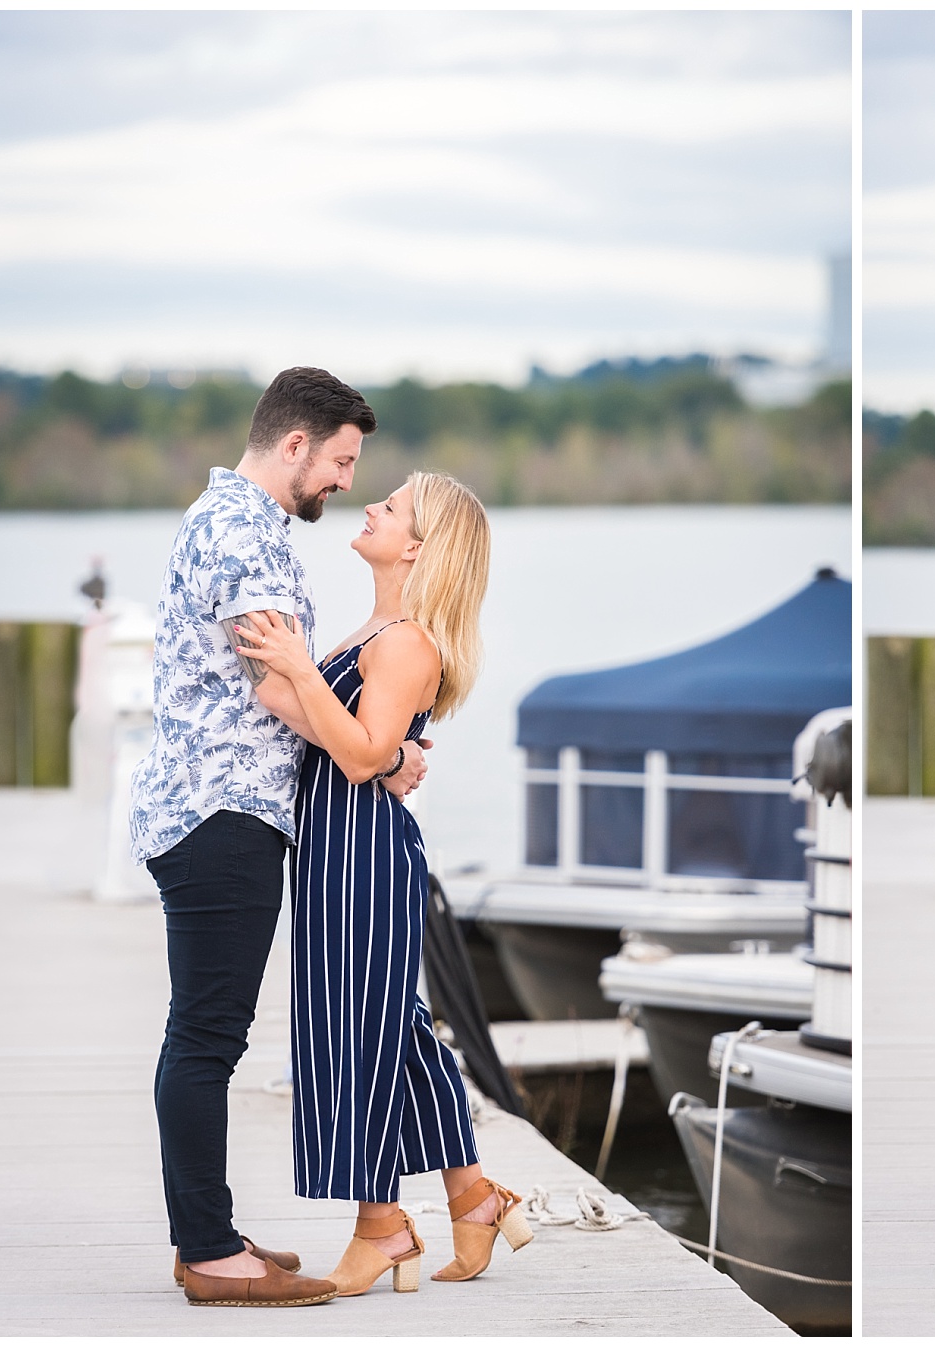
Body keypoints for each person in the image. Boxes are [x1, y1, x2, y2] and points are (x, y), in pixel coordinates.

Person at [130, 367, 428, 1308]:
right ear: (295, 444)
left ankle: (212, 1232)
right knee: (208, 1035)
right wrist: (380, 757)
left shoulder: (231, 523)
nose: (343, 482)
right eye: (341, 460)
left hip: (212, 809)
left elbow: (286, 671)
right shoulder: (246, 534)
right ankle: (210, 1253)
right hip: (223, 814)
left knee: (206, 1031)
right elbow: (274, 684)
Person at [233, 469, 532, 1297]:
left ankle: (381, 1225)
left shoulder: (405, 640)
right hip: (337, 844)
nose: (371, 506)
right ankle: (469, 1198)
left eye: (391, 505)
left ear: (420, 547)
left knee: (356, 1033)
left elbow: (359, 753)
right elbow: (345, 738)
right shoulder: (375, 626)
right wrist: (281, 676)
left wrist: (303, 670)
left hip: (362, 848)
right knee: (384, 1027)